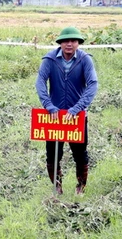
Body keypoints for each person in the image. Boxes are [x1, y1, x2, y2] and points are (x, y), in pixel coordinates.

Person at [35, 26, 99, 195]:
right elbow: (40, 81)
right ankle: (57, 186)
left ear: (78, 43)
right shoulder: (49, 59)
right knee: (53, 154)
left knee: (80, 153)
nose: (69, 44)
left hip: (76, 117)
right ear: (60, 43)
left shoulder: (85, 60)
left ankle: (81, 186)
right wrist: (49, 105)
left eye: (73, 41)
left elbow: (92, 84)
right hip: (54, 116)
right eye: (66, 41)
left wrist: (77, 108)